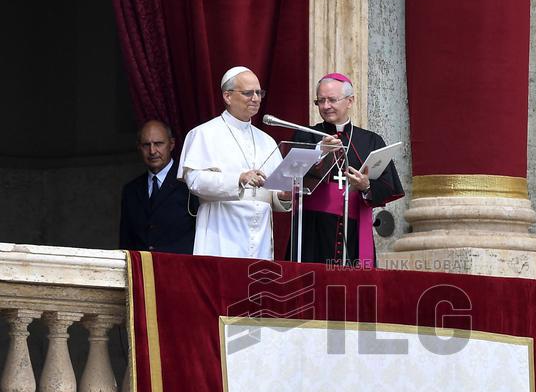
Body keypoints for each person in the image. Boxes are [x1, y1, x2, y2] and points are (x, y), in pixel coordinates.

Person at [289, 72, 404, 265]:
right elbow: (291, 178)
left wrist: (367, 186)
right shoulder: (305, 136)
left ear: (350, 101)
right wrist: (321, 151)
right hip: (313, 231)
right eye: (321, 101)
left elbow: (388, 186)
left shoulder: (371, 140)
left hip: (355, 230)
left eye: (332, 100)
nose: (326, 106)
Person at [177, 66, 290, 259]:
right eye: (248, 93)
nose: (255, 98)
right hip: (221, 229)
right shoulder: (203, 134)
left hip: (259, 232)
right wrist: (238, 178)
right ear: (227, 97)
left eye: (258, 92)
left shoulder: (267, 140)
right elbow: (195, 181)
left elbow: (274, 195)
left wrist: (285, 196)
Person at [119, 120, 197, 254]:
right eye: (146, 145)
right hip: (143, 269)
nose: (152, 151)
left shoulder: (190, 182)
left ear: (171, 144)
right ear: (139, 147)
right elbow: (126, 241)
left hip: (180, 268)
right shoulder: (130, 190)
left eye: (158, 144)